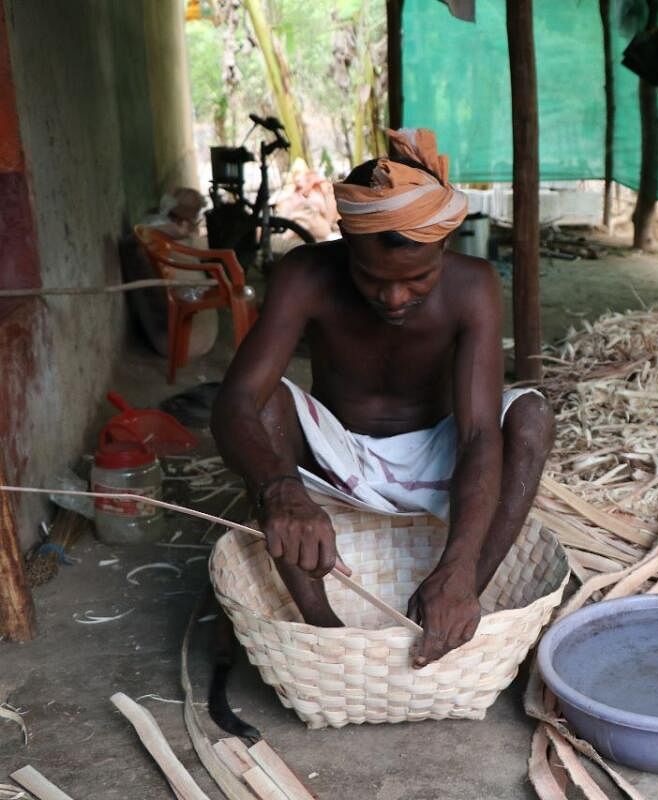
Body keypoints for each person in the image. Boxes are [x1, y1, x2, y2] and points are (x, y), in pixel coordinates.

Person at [211, 128, 555, 666]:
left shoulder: (473, 286)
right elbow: (233, 403)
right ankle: (322, 625)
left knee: (529, 417)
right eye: (371, 277)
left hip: (439, 455)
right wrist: (278, 489)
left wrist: (458, 565)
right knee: (265, 402)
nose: (394, 297)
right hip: (338, 453)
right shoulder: (305, 275)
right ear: (346, 243)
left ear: (445, 246)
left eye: (418, 279)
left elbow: (478, 434)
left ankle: (460, 595)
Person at [125, 187, 218, 358]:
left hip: (172, 342)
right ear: (186, 217)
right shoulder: (167, 237)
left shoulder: (147, 232)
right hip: (175, 342)